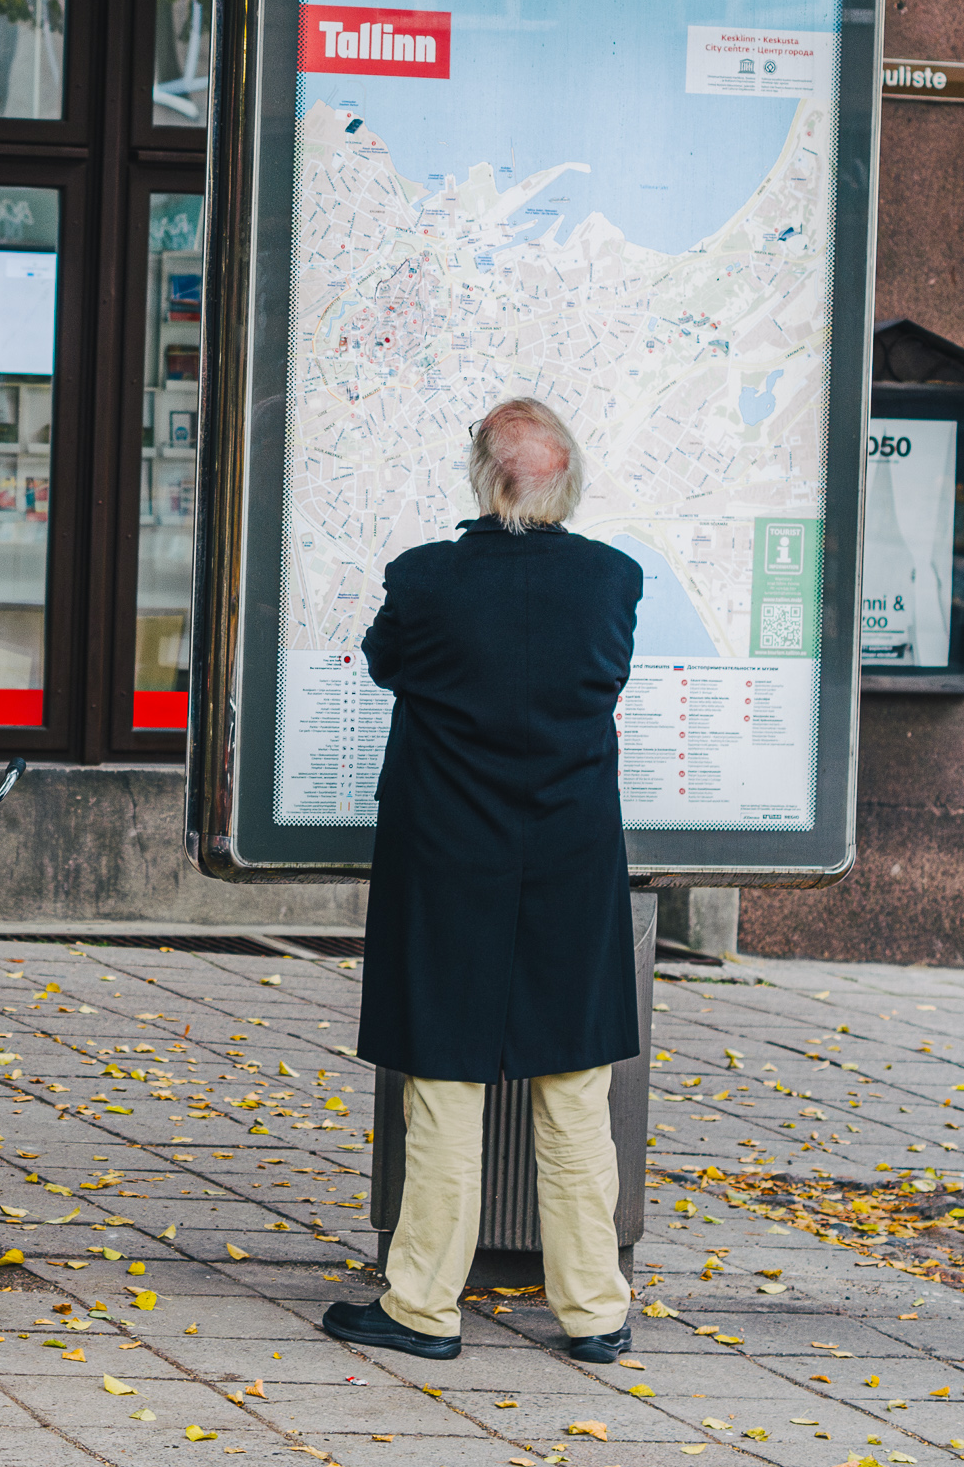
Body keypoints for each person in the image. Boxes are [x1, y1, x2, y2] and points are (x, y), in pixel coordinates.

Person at [319, 396, 642, 1365]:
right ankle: (592, 1311)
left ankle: (422, 1304)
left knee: (445, 1089)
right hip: (570, 862)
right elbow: (601, 676)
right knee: (575, 1090)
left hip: (448, 859)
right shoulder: (611, 581)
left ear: (483, 477)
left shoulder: (426, 579)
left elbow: (385, 664)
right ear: (565, 478)